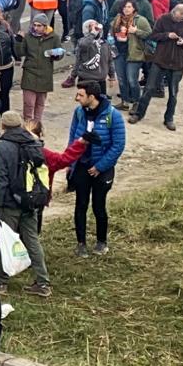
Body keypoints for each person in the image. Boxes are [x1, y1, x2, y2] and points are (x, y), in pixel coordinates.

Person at [0, 111, 50, 296]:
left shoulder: (2, 147)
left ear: (3, 126)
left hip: (9, 202)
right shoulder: (33, 143)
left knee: (4, 241)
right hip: (31, 201)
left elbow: (0, 181)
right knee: (32, 241)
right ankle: (43, 282)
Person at [68, 81, 125, 257]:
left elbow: (118, 144)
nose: (77, 98)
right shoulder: (79, 113)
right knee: (80, 205)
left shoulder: (112, 115)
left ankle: (101, 242)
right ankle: (81, 244)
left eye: (81, 95)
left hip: (102, 169)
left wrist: (100, 167)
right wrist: (71, 163)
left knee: (99, 207)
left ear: (91, 97)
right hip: (82, 167)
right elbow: (72, 137)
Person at [131, 1, 183, 130]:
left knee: (173, 93)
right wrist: (167, 35)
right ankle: (139, 114)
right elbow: (153, 35)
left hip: (177, 63)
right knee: (149, 89)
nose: (180, 17)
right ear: (174, 11)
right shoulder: (163, 20)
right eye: (179, 15)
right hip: (160, 60)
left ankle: (169, 118)